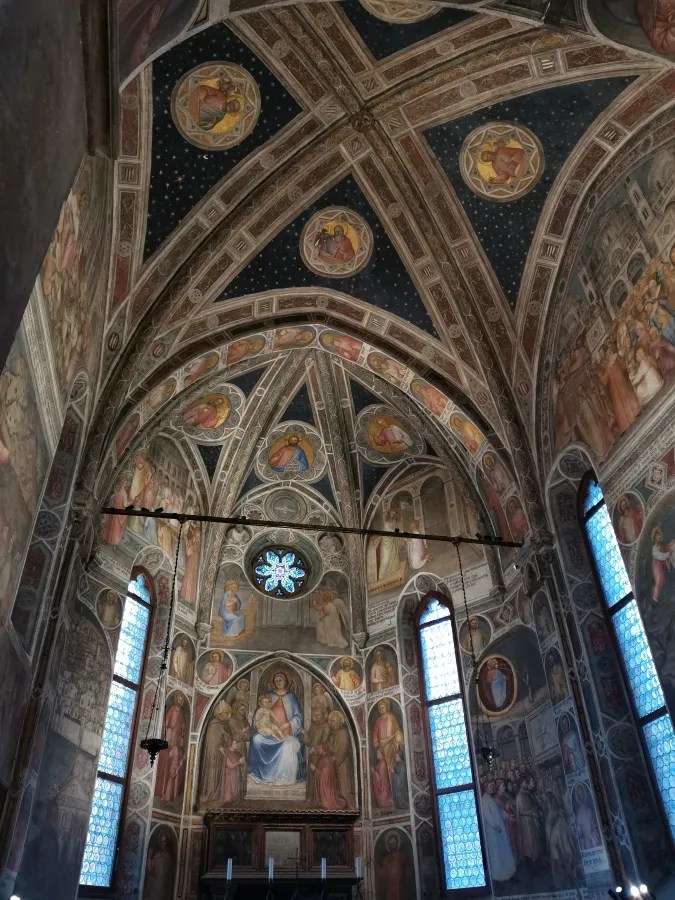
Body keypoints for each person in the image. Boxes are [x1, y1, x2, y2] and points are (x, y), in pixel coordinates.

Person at [248, 672, 304, 785]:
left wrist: (287, 725)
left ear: (286, 681)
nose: (278, 683)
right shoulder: (269, 696)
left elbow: (298, 717)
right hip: (268, 730)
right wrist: (261, 725)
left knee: (289, 745)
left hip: (287, 732)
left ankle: (282, 777)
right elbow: (259, 713)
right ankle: (262, 774)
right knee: (256, 740)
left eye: (280, 680)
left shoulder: (291, 697)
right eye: (276, 681)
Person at [371, 698, 404, 809]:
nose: (381, 709)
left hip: (391, 745)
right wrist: (376, 743)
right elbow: (375, 733)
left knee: (391, 769)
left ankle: (395, 798)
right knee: (383, 770)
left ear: (387, 707)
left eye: (382, 707)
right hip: (382, 746)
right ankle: (386, 799)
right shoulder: (378, 721)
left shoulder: (391, 717)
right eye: (379, 708)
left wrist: (398, 739)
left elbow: (397, 730)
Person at [481, 781, 516, 881]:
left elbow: (500, 811)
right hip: (493, 832)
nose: (492, 788)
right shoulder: (484, 800)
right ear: (486, 787)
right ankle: (498, 877)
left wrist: (508, 816)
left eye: (493, 786)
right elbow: (487, 815)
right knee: (496, 854)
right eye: (490, 786)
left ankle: (509, 874)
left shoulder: (491, 798)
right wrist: (494, 826)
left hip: (500, 830)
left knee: (504, 852)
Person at [143, 832, 174, 900]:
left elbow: (170, 873)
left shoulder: (168, 857)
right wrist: (149, 857)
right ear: (159, 843)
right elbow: (150, 870)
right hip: (155, 885)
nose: (163, 844)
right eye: (162, 842)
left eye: (164, 842)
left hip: (164, 885)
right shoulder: (156, 856)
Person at [650, 526, 673, 603]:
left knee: (662, 580)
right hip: (657, 565)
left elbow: (666, 548)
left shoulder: (661, 545)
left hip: (661, 565)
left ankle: (655, 591)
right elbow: (659, 556)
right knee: (659, 580)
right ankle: (654, 597)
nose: (659, 538)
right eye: (657, 537)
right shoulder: (654, 548)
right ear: (654, 538)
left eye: (660, 536)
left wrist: (671, 544)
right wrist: (668, 554)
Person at [220, 737, 246, 803]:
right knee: (229, 797)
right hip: (230, 777)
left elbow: (243, 764)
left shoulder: (238, 753)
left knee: (237, 795)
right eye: (235, 743)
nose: (236, 744)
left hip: (237, 776)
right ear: (230, 744)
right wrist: (239, 762)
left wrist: (243, 762)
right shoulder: (227, 753)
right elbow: (230, 766)